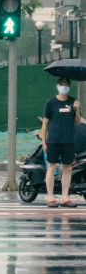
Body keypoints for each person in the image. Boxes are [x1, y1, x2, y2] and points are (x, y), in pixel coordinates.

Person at [42, 77, 81, 208]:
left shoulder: (73, 102)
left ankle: (65, 197)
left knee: (67, 168)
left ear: (69, 87)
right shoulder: (50, 103)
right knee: (52, 167)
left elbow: (77, 122)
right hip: (53, 140)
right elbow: (45, 123)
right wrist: (44, 141)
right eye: (61, 84)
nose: (64, 86)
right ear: (57, 86)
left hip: (69, 140)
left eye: (66, 85)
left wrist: (77, 109)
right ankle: (51, 198)